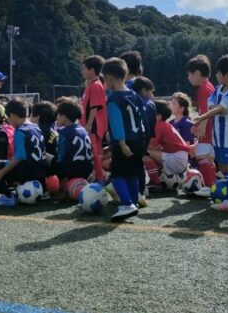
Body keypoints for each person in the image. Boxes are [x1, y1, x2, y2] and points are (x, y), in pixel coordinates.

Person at [192, 54, 228, 211]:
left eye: (218, 72)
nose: (216, 75)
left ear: (227, 75)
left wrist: (202, 117)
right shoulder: (218, 90)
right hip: (219, 136)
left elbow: (221, 109)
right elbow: (212, 105)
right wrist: (212, 110)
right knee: (222, 167)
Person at [103, 57, 147, 221]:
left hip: (124, 142)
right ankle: (134, 201)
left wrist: (121, 143)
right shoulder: (134, 94)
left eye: (105, 79)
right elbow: (142, 119)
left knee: (116, 174)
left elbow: (117, 123)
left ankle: (127, 204)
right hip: (138, 139)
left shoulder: (114, 99)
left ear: (110, 78)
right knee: (132, 173)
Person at [0, 99, 47, 206]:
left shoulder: (20, 131)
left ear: (12, 115)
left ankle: (7, 196)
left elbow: (19, 157)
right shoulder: (35, 127)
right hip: (41, 172)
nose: (7, 121)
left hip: (28, 171)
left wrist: (1, 173)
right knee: (10, 163)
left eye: (8, 117)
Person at [187, 54, 217, 195]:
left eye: (190, 74)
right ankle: (212, 185)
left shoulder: (203, 89)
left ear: (197, 73)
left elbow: (206, 111)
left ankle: (209, 187)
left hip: (208, 129)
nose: (188, 78)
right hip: (212, 128)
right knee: (208, 158)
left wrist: (202, 127)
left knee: (201, 156)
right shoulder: (208, 86)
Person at [146, 99, 192, 184]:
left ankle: (155, 183)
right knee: (152, 151)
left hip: (177, 159)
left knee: (145, 153)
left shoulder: (158, 125)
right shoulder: (164, 124)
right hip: (179, 158)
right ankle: (159, 178)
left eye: (149, 113)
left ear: (158, 116)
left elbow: (149, 146)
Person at [80, 55, 108, 182]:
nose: (82, 71)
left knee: (94, 153)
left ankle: (100, 179)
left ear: (91, 70)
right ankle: (98, 176)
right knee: (94, 152)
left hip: (93, 126)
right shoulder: (90, 85)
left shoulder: (96, 85)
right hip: (89, 125)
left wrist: (89, 124)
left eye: (84, 68)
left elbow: (94, 107)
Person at [55, 100, 93, 189]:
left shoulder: (64, 133)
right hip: (87, 169)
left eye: (58, 114)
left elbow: (60, 158)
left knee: (48, 158)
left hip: (73, 171)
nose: (57, 117)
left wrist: (61, 176)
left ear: (64, 116)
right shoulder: (83, 130)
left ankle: (61, 188)